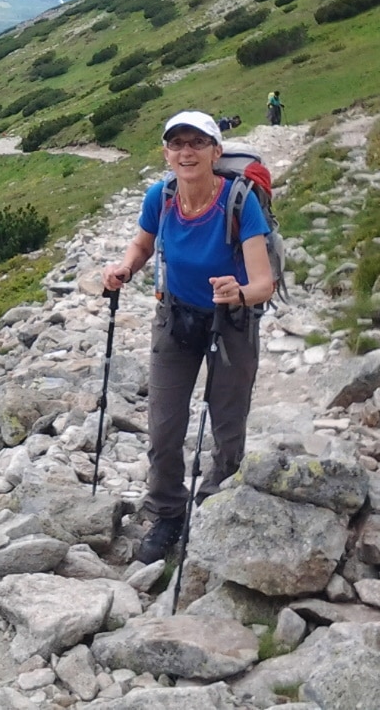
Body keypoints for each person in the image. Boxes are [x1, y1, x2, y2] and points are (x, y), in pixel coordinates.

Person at [102, 111, 275, 563]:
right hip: (175, 317)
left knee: (228, 424)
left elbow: (264, 283)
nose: (186, 151)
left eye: (197, 142)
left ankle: (217, 504)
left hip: (231, 321)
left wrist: (239, 293)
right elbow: (143, 245)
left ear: (216, 152)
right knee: (163, 426)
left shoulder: (239, 202)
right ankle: (167, 513)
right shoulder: (160, 197)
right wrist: (125, 268)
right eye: (177, 143)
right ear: (166, 153)